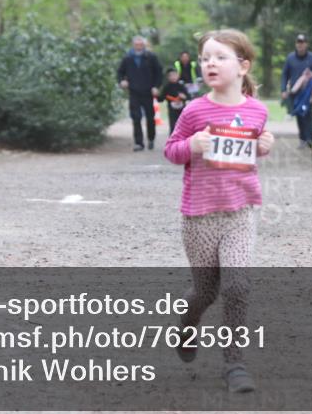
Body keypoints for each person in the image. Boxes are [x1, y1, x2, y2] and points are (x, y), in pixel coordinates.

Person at [163, 28, 275, 394]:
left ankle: (235, 364)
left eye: (220, 57)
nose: (210, 63)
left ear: (243, 67)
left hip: (240, 213)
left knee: (238, 285)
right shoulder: (195, 110)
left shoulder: (257, 111)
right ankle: (189, 319)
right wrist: (192, 145)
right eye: (205, 58)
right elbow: (171, 150)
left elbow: (253, 151)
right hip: (199, 216)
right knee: (205, 293)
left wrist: (263, 146)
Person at [117, 35, 163, 151]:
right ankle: (139, 143)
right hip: (134, 92)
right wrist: (122, 81)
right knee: (136, 117)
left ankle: (151, 139)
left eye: (141, 44)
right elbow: (120, 72)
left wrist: (156, 86)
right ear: (133, 45)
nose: (138, 46)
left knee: (150, 117)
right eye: (136, 44)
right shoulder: (127, 58)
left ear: (144, 45)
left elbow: (159, 72)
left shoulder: (151, 57)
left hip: (148, 91)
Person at [280, 33, 312, 148]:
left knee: (308, 114)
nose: (300, 45)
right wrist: (283, 89)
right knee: (299, 115)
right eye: (298, 43)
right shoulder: (290, 58)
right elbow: (285, 75)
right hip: (295, 92)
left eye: (302, 43)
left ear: (306, 44)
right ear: (296, 44)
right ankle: (302, 139)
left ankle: (309, 139)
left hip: (308, 92)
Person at [161, 68, 191, 135]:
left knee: (183, 125)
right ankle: (172, 140)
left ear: (178, 76)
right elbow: (161, 98)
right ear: (168, 77)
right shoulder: (166, 87)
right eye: (171, 75)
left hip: (182, 109)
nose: (173, 77)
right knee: (173, 125)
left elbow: (188, 97)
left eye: (175, 75)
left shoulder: (181, 86)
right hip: (172, 110)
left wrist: (184, 97)